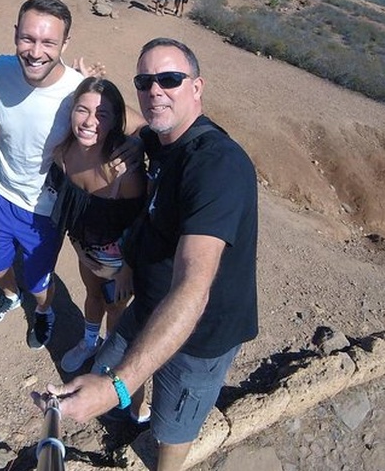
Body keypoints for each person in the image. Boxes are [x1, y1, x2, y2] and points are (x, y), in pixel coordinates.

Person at [38, 38, 259, 471]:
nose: (156, 90)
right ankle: (127, 414)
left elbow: (195, 286)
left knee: (171, 429)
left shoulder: (217, 165)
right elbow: (128, 122)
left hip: (202, 333)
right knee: (107, 369)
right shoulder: (161, 140)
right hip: (151, 304)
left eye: (170, 79)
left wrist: (115, 387)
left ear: (197, 87)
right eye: (145, 81)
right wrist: (83, 83)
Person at [0, 0, 89, 350]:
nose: (36, 51)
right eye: (28, 38)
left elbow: (118, 130)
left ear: (65, 44)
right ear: (15, 35)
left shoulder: (77, 93)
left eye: (48, 42)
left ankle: (44, 312)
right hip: (1, 194)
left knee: (40, 283)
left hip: (44, 210)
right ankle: (11, 297)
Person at [47, 76, 145, 375]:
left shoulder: (124, 173)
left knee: (115, 308)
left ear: (116, 122)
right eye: (82, 110)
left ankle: (109, 358)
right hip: (86, 252)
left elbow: (142, 223)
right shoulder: (62, 155)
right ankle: (90, 341)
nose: (90, 121)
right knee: (91, 295)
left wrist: (128, 268)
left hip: (121, 264)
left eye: (102, 114)